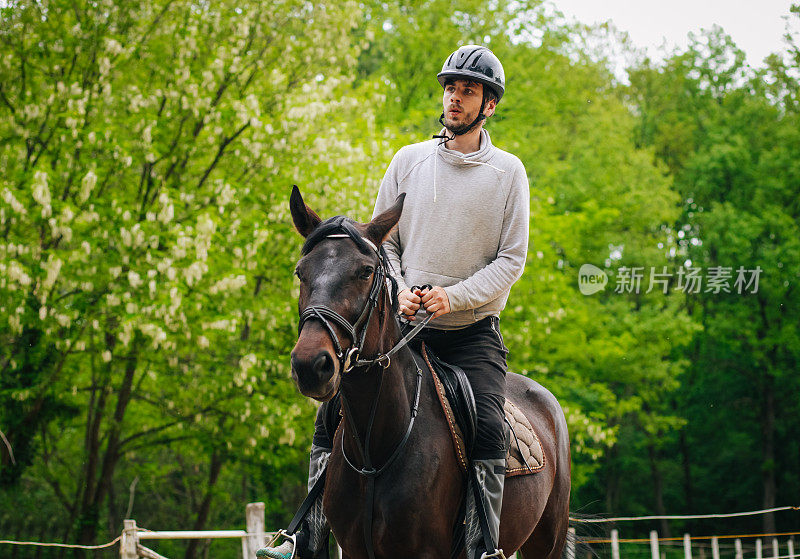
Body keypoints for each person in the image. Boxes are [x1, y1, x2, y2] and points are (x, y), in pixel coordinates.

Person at [260, 44, 529, 559]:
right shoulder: (408, 161)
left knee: (491, 425)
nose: (454, 98)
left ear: (488, 105)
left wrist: (451, 298)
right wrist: (405, 291)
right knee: (329, 416)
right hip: (403, 328)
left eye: (468, 91)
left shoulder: (509, 173)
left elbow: (511, 261)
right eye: (450, 87)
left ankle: (483, 546)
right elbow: (381, 245)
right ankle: (306, 537)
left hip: (470, 334)